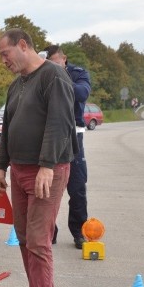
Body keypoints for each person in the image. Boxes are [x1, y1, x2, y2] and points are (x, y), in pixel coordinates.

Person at [0, 29, 76, 287]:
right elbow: (7, 128)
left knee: (40, 240)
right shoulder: (17, 86)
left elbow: (59, 123)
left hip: (47, 171)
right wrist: (1, 167)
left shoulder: (53, 76)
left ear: (23, 46)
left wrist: (47, 166)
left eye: (6, 54)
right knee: (25, 236)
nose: (4, 61)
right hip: (19, 170)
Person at [42, 45, 92, 249]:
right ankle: (48, 231)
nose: (51, 66)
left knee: (77, 188)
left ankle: (79, 232)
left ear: (64, 59)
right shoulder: (41, 75)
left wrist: (59, 77)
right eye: (48, 63)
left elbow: (82, 93)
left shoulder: (78, 74)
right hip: (49, 135)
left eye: (55, 62)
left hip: (74, 135)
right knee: (46, 188)